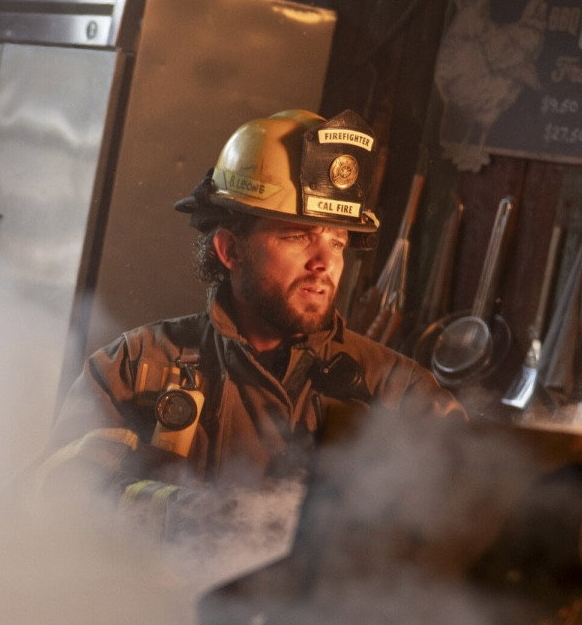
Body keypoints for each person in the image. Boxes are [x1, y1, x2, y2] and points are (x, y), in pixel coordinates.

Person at [35, 109, 462, 538]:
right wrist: (182, 515)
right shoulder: (135, 365)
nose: (324, 262)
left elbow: (464, 522)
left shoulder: (398, 389)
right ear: (231, 250)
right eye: (296, 236)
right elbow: (57, 499)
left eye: (337, 242)